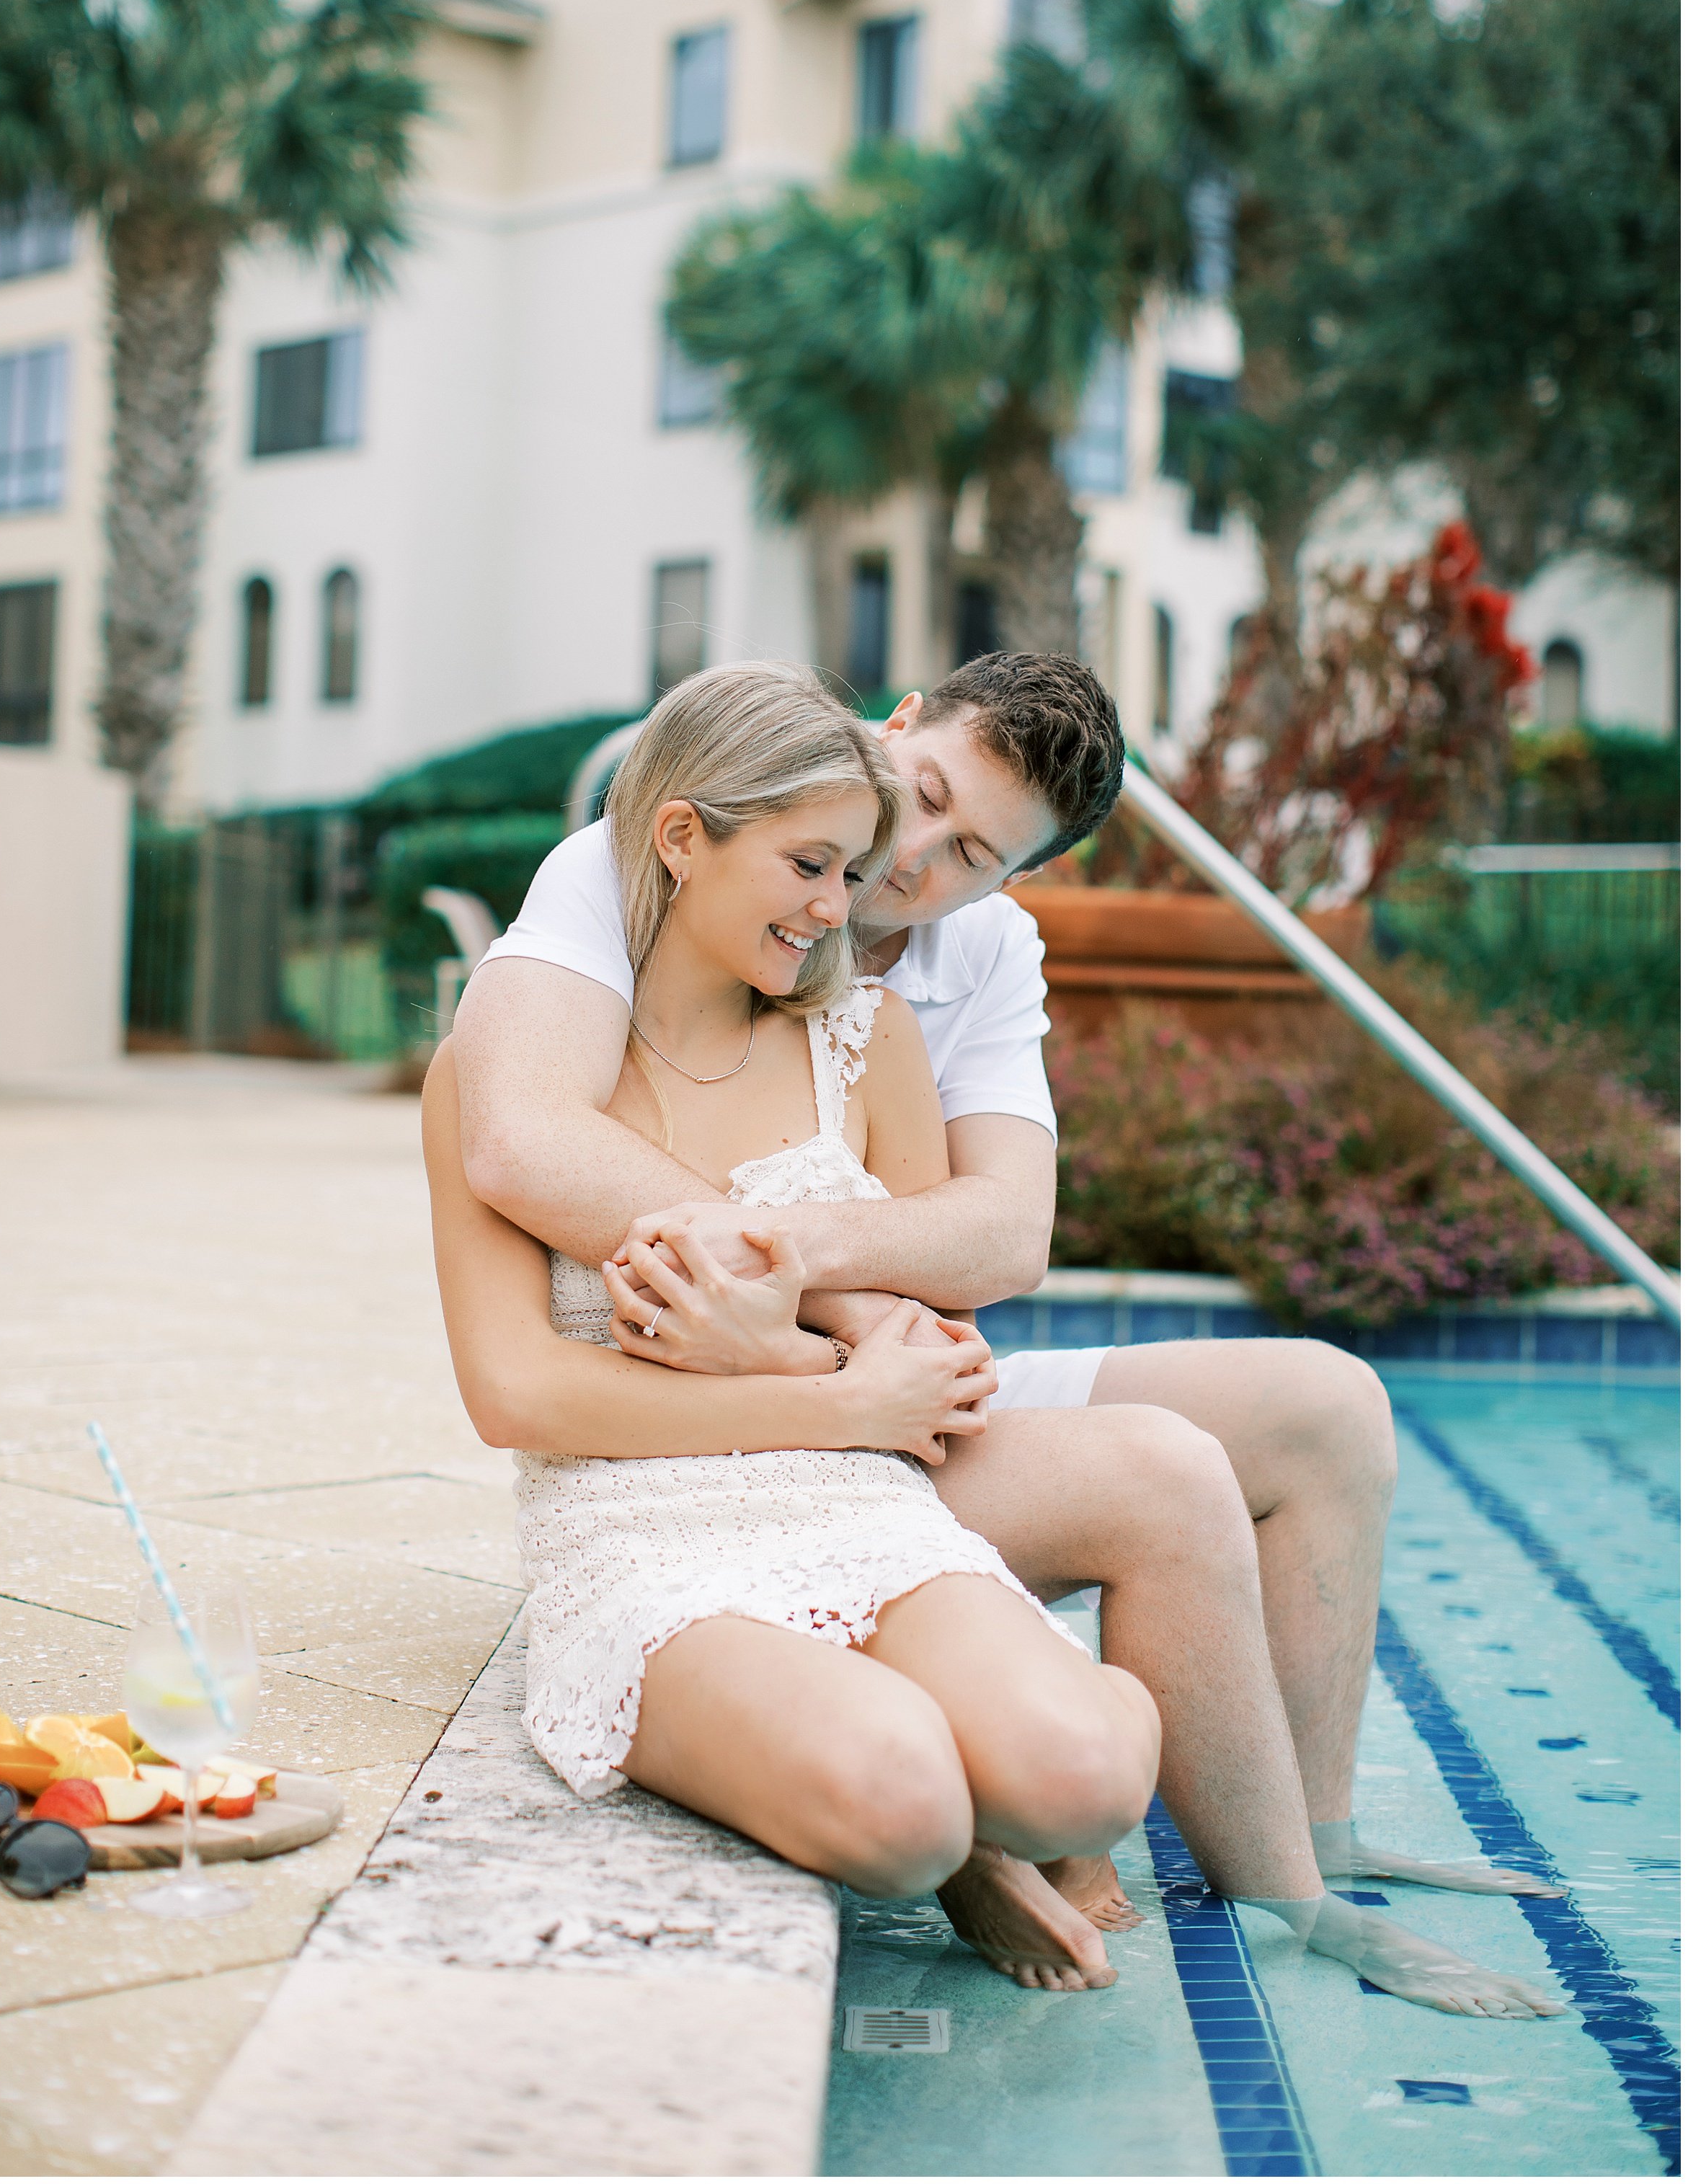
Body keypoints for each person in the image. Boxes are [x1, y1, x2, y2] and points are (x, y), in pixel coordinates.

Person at [444, 656, 1563, 2017]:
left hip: (873, 1422)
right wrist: (814, 1354)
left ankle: (1298, 1866)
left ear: (1011, 877)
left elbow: (998, 1246)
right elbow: (513, 1152)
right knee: (913, 1776)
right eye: (900, 808)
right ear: (894, 730)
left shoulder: (907, 1008)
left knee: (1296, 1421)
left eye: (967, 850)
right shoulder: (603, 895)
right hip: (710, 1467)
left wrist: (804, 1305)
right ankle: (976, 1805)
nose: (885, 868)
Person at [427, 664, 1167, 1932]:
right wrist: (811, 1384)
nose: (849, 907)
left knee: (1085, 1778)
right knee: (906, 1809)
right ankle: (954, 1818)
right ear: (681, 839)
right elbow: (517, 1393)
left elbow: (935, 1362)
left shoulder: (876, 1044)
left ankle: (1007, 1766)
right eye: (812, 866)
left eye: (853, 867)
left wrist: (804, 1352)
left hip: (867, 1510)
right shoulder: (508, 1083)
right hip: (639, 1538)